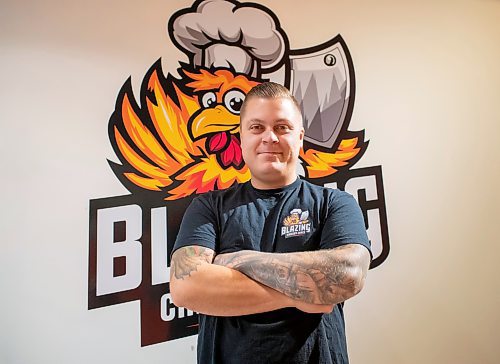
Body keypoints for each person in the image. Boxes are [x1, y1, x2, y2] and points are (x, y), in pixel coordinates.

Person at [170, 82, 372, 364]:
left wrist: (233, 261)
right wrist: (302, 295)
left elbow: (348, 274)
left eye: (282, 127)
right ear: (241, 138)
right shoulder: (208, 206)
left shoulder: (334, 203)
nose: (270, 137)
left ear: (300, 138)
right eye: (257, 127)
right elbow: (186, 287)